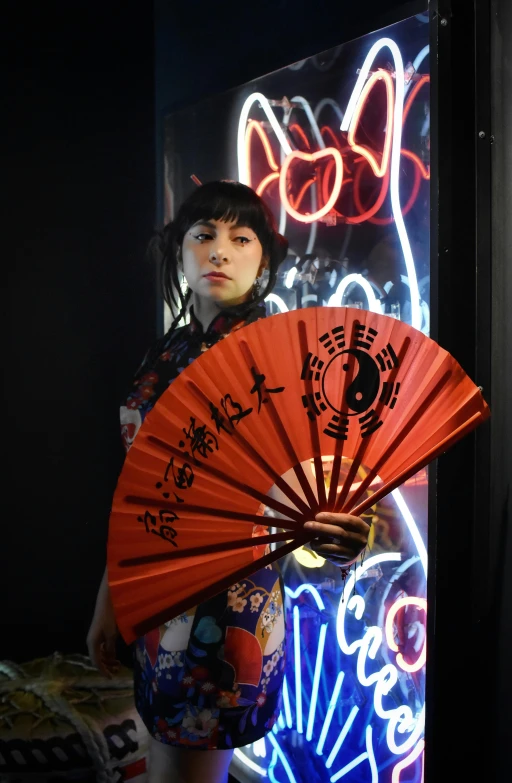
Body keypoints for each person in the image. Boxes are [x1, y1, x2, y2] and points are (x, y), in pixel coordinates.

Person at [86, 181, 370, 783]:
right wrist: (109, 597)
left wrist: (339, 531)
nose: (219, 252)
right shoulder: (166, 352)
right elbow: (136, 488)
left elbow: (318, 477)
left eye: (240, 239)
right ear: (179, 250)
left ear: (263, 258)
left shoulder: (280, 356)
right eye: (204, 235)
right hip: (156, 590)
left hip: (227, 604)